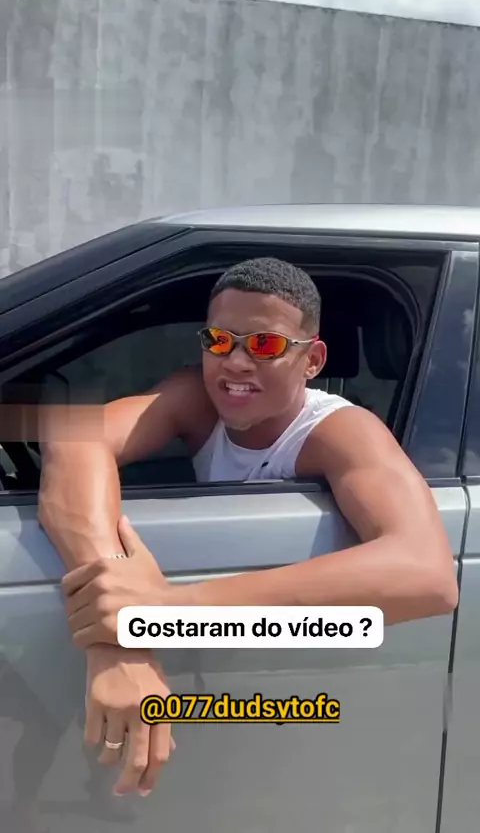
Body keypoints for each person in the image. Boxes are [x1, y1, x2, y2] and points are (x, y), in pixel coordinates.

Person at [37, 257, 458, 797]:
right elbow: (75, 437)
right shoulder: (197, 399)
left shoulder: (341, 431)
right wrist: (119, 630)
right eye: (219, 341)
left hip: (302, 696)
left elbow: (427, 574)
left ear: (312, 360)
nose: (234, 362)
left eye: (264, 345)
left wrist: (169, 612)